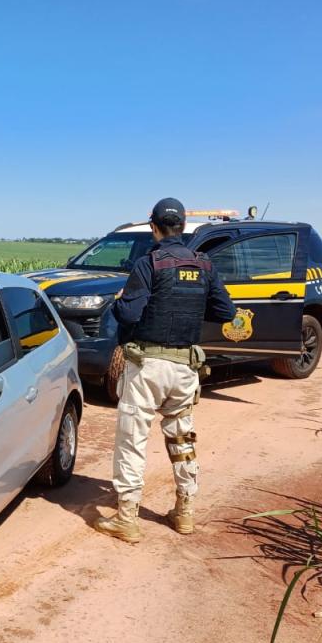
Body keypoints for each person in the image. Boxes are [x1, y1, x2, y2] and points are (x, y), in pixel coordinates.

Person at [93, 198, 237, 543]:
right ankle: (184, 511)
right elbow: (226, 312)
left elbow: (129, 314)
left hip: (147, 368)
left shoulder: (149, 264)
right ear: (183, 227)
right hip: (185, 367)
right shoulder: (204, 265)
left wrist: (119, 301)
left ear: (153, 227)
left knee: (132, 439)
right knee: (181, 439)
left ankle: (127, 518)